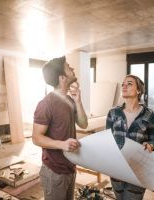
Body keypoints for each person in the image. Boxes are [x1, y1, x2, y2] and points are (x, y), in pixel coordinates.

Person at [32, 56, 88, 200]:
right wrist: (62, 144)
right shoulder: (46, 104)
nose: (73, 69)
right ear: (62, 77)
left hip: (70, 167)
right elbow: (36, 138)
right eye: (69, 67)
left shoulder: (70, 100)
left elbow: (83, 124)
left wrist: (78, 101)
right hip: (54, 171)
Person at [106, 74, 154, 200]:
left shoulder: (150, 115)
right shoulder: (113, 113)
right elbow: (106, 142)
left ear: (139, 90)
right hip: (117, 169)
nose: (124, 86)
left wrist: (151, 145)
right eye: (123, 84)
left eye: (129, 84)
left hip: (138, 170)